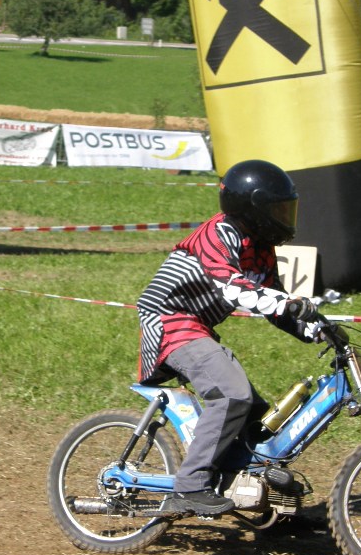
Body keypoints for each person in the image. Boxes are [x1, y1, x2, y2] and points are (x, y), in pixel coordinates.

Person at [137, 159, 319, 517]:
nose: (285, 218)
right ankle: (190, 486)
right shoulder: (218, 234)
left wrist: (318, 329)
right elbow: (234, 289)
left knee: (257, 414)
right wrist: (289, 303)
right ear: (253, 209)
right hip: (170, 319)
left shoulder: (262, 248)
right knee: (232, 394)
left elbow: (275, 304)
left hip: (197, 326)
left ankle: (255, 494)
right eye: (278, 210)